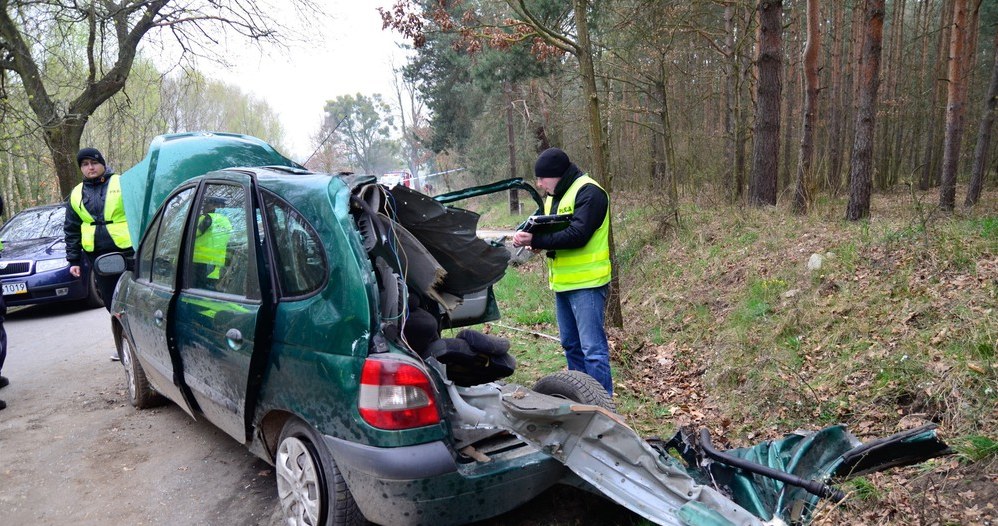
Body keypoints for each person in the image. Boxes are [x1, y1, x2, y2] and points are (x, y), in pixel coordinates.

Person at [512, 148, 614, 396]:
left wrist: (538, 240)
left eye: (542, 179)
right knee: (571, 346)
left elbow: (578, 235)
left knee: (593, 350)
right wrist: (532, 241)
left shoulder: (590, 192)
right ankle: (580, 399)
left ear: (557, 175)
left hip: (588, 284)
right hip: (563, 284)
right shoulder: (554, 195)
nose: (539, 184)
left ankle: (603, 408)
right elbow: (552, 232)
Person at [64, 148, 133, 360]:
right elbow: (71, 228)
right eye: (84, 164)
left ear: (102, 163)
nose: (90, 167)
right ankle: (124, 342)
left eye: (93, 162)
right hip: (97, 254)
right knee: (111, 299)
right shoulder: (76, 193)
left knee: (133, 295)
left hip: (127, 248)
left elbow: (140, 212)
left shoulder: (122, 182)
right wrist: (73, 259)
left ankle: (140, 341)